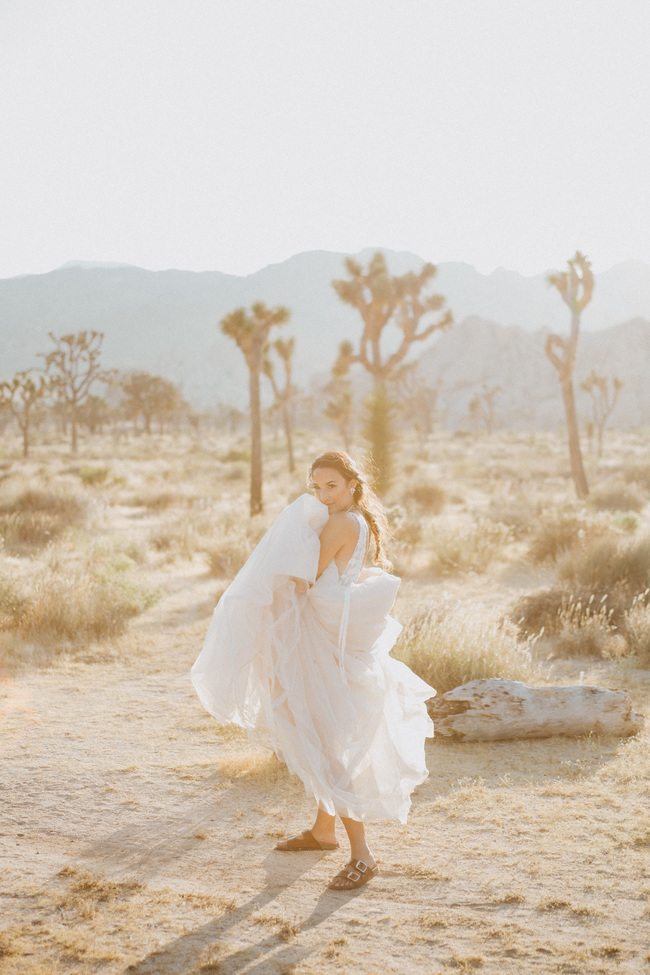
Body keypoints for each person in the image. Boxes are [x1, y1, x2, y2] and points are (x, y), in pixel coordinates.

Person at [191, 451, 435, 891]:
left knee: (326, 742)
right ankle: (324, 831)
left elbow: (304, 581)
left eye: (332, 487)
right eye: (316, 488)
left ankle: (364, 854)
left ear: (352, 487)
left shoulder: (341, 523)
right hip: (326, 633)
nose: (323, 495)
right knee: (325, 735)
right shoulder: (353, 519)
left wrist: (278, 558)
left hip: (320, 638)